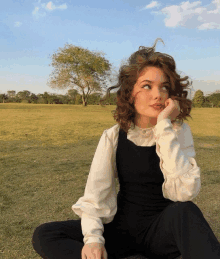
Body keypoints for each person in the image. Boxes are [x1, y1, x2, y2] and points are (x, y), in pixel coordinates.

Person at [32, 38, 220, 259]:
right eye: (147, 86)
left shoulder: (177, 132)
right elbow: (95, 196)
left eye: (164, 87)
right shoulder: (113, 136)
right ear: (131, 92)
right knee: (45, 234)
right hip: (120, 230)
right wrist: (93, 240)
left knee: (186, 212)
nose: (158, 94)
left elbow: (185, 191)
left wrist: (163, 126)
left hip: (161, 233)